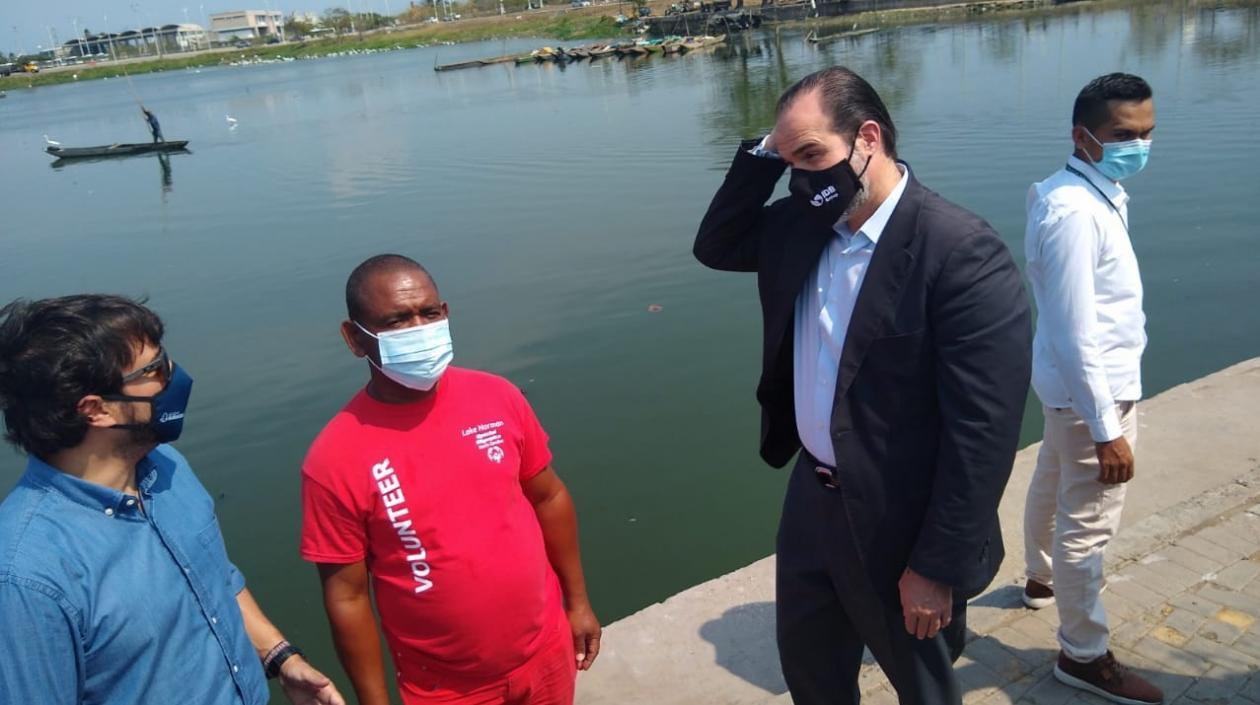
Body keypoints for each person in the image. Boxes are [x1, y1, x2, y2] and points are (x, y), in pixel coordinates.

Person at [694, 66, 1032, 705]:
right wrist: (766, 153)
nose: (803, 178)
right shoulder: (800, 227)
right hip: (813, 501)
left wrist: (936, 566)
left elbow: (983, 431)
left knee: (921, 685)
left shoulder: (958, 250)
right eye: (789, 161)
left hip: (903, 517)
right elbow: (715, 244)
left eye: (812, 155)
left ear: (868, 137)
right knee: (812, 672)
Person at [0, 294, 345, 705]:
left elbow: (214, 579)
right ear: (96, 410)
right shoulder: (27, 577)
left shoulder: (166, 467)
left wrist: (279, 657)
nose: (175, 376)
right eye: (155, 369)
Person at [300, 254, 600, 705]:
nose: (419, 329)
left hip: (547, 653)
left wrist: (577, 604)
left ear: (446, 313)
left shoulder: (497, 396)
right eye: (397, 320)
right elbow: (347, 597)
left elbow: (548, 496)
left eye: (429, 313)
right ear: (354, 339)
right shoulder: (333, 458)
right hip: (445, 689)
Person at [1021, 73, 1161, 705]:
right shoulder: (1074, 213)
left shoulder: (1078, 190)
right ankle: (1083, 654)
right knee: (1088, 528)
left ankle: (1039, 581)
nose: (1139, 144)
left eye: (1148, 132)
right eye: (1124, 135)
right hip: (1092, 394)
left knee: (1051, 481)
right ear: (1083, 137)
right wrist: (1108, 431)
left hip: (1066, 387)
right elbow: (1079, 331)